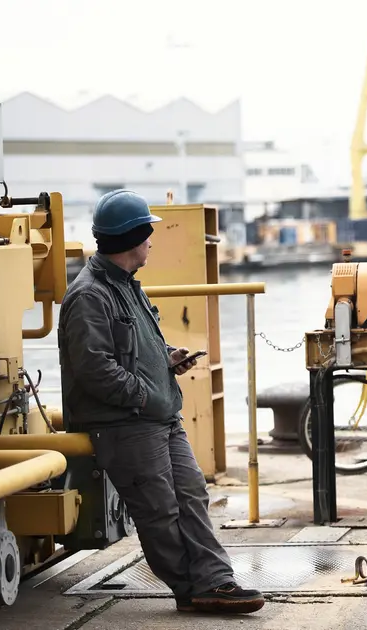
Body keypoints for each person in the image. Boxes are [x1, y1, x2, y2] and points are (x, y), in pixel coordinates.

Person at [58, 189, 265, 615]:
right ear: (133, 238)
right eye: (148, 232)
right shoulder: (88, 297)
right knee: (159, 511)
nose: (153, 240)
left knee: (192, 496)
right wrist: (145, 394)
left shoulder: (125, 286)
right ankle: (191, 589)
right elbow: (94, 370)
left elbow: (132, 346)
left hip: (158, 416)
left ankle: (215, 581)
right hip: (126, 424)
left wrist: (165, 359)